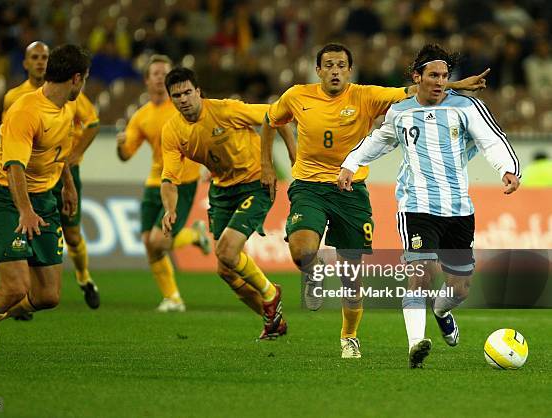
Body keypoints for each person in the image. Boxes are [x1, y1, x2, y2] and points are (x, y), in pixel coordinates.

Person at [261, 42, 490, 359]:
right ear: (318, 70)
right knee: (302, 250)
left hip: (351, 191)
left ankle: (349, 335)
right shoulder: (297, 95)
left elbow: (415, 89)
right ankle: (311, 272)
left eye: (341, 65)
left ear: (349, 70)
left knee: (351, 276)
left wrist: (454, 85)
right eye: (328, 65)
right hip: (309, 186)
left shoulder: (366, 96)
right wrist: (267, 164)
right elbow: (271, 120)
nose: (335, 70)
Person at [338, 43, 520, 368]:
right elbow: (378, 140)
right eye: (433, 75)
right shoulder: (400, 112)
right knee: (421, 274)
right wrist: (351, 164)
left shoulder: (466, 107)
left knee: (460, 287)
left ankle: (441, 309)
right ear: (416, 77)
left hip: (458, 210)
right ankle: (415, 344)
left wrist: (507, 169)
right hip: (416, 206)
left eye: (445, 76)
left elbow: (490, 139)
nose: (439, 81)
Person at [0, 44, 91, 372]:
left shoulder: (65, 110)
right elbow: (13, 167)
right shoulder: (26, 110)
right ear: (76, 78)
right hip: (7, 199)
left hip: (44, 201)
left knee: (47, 296)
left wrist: (67, 185)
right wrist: (24, 210)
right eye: (84, 81)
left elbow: (59, 152)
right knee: (15, 288)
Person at [160, 67, 295, 339]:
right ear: (171, 99)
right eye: (177, 95)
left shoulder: (226, 110)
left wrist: (293, 158)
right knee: (226, 269)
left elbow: (277, 115)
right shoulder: (172, 131)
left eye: (188, 92)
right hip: (221, 191)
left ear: (198, 92)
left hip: (256, 183)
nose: (184, 99)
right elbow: (169, 179)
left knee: (227, 251)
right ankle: (273, 321)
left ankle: (271, 293)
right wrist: (170, 209)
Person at [3, 41, 101, 313]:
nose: (40, 61)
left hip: (61, 170)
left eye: (44, 57)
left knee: (71, 234)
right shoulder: (16, 100)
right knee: (21, 234)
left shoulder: (70, 97)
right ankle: (13, 298)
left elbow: (92, 124)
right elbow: (10, 142)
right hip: (27, 178)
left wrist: (70, 162)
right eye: (34, 57)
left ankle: (84, 278)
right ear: (25, 63)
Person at [117, 55, 210, 312]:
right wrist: (120, 145)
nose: (160, 77)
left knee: (158, 241)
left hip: (183, 180)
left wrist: (209, 166)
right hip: (154, 181)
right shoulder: (141, 116)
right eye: (155, 73)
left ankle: (194, 235)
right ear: (147, 80)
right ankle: (173, 298)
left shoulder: (182, 106)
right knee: (149, 243)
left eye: (164, 73)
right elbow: (126, 155)